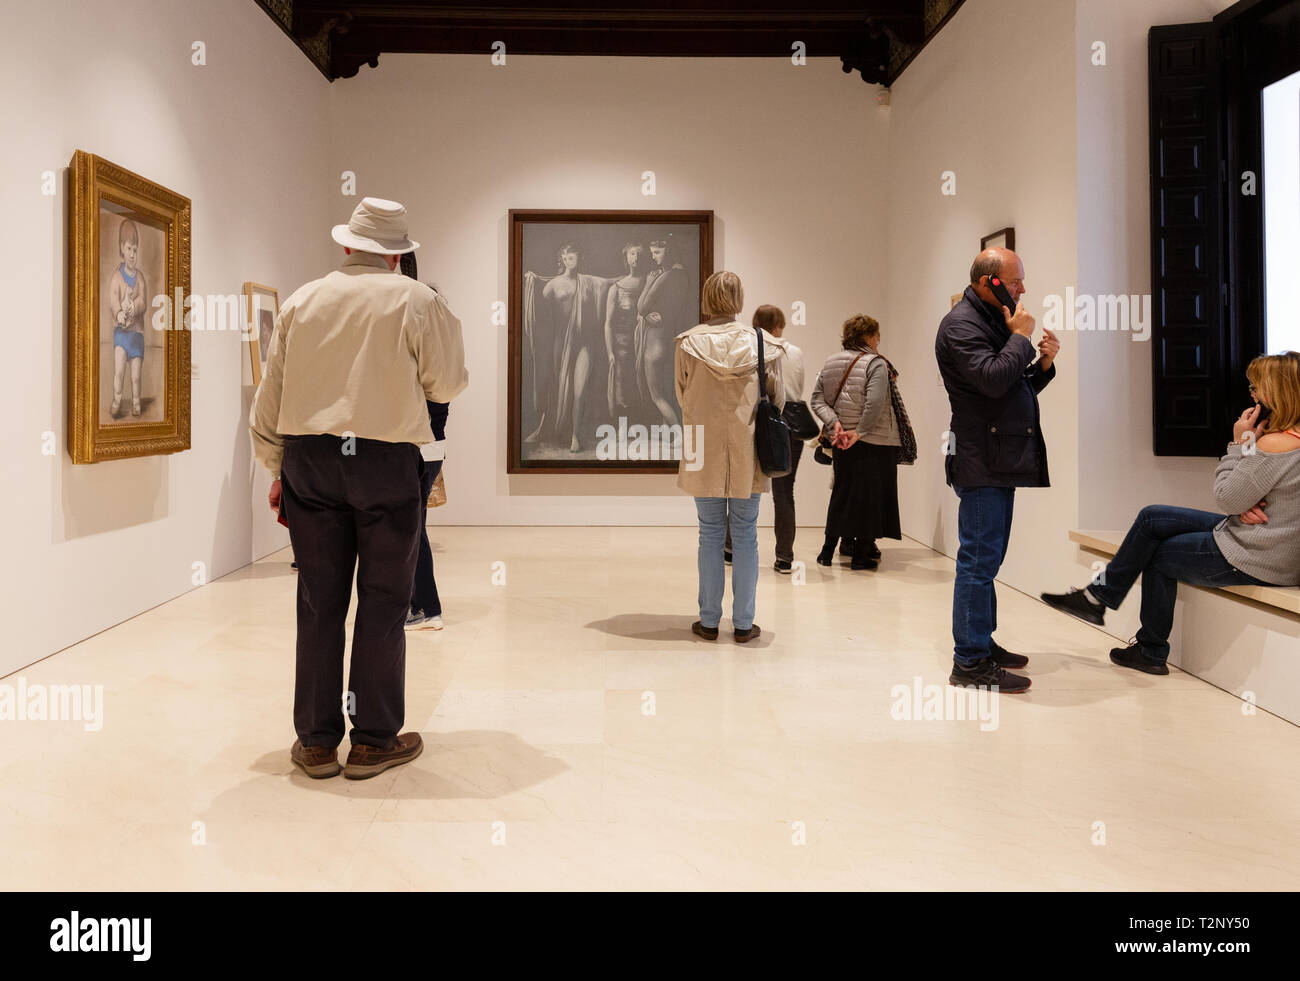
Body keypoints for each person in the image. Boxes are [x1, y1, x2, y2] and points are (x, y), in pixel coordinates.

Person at [250, 197, 468, 780]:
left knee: (319, 602)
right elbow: (447, 381)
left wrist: (278, 471)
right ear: (399, 254)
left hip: (311, 460)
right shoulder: (418, 301)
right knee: (384, 600)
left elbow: (269, 400)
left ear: (347, 245)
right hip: (383, 461)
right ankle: (373, 739)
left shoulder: (302, 300)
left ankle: (317, 741)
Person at [1042, 352, 1300, 673]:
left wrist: (1238, 445)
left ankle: (1149, 649)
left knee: (1159, 555)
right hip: (1274, 550)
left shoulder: (1275, 445)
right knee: (1153, 517)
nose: (1251, 392)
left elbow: (1226, 498)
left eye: (1257, 385)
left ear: (1279, 391)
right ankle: (1097, 598)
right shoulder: (1289, 441)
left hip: (1254, 555)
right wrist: (1245, 498)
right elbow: (1250, 498)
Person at [936, 247, 1060, 694]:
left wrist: (1041, 364)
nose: (1022, 289)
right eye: (1015, 281)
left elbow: (1010, 384)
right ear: (988, 281)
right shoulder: (961, 326)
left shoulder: (989, 318)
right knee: (977, 562)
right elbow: (990, 378)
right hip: (980, 459)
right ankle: (968, 662)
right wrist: (1022, 338)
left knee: (986, 560)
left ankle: (981, 643)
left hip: (996, 458)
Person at [676, 270, 784, 643]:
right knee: (746, 534)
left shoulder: (688, 343)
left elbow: (682, 395)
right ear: (739, 298)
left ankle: (708, 621)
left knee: (709, 534)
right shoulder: (762, 344)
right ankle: (743, 623)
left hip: (701, 445)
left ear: (707, 297)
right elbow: (778, 398)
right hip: (747, 447)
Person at [810, 314, 902, 571]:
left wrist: (835, 424)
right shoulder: (876, 363)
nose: (878, 341)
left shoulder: (830, 362)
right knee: (870, 498)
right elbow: (874, 403)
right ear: (869, 336)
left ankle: (826, 552)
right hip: (873, 441)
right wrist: (859, 431)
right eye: (877, 336)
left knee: (842, 494)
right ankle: (861, 557)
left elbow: (817, 399)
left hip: (841, 442)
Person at [398, 250, 449, 631]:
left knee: (411, 529)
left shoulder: (424, 362)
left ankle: (425, 607)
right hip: (430, 447)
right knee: (414, 526)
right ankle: (419, 604)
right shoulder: (440, 357)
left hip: (419, 447)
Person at [108, 219, 147, 418]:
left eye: (135, 249)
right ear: (122, 250)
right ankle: (116, 400)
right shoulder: (117, 277)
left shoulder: (139, 278)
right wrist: (119, 313)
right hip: (122, 335)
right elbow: (113, 299)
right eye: (129, 248)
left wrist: (135, 307)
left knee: (135, 376)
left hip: (136, 335)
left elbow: (143, 301)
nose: (132, 254)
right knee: (119, 371)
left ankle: (136, 401)